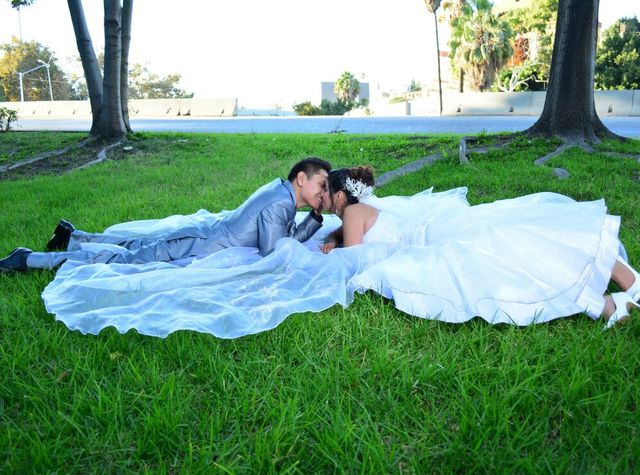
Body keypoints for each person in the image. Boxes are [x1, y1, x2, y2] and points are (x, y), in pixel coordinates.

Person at [321, 166, 640, 328]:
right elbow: (354, 235)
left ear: (339, 195)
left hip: (432, 240)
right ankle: (618, 288)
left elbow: (354, 257)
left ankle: (607, 302)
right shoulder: (364, 207)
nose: (323, 206)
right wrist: (335, 237)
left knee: (503, 255)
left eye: (324, 198)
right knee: (511, 239)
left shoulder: (351, 212)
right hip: (438, 229)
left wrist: (333, 247)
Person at [0, 157, 332, 272]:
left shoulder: (278, 190)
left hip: (202, 234)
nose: (321, 193)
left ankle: (71, 236)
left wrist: (312, 216)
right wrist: (315, 219)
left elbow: (277, 238)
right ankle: (28, 259)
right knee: (124, 262)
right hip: (195, 245)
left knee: (135, 244)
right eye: (320, 184)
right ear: (301, 178)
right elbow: (273, 252)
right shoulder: (281, 203)